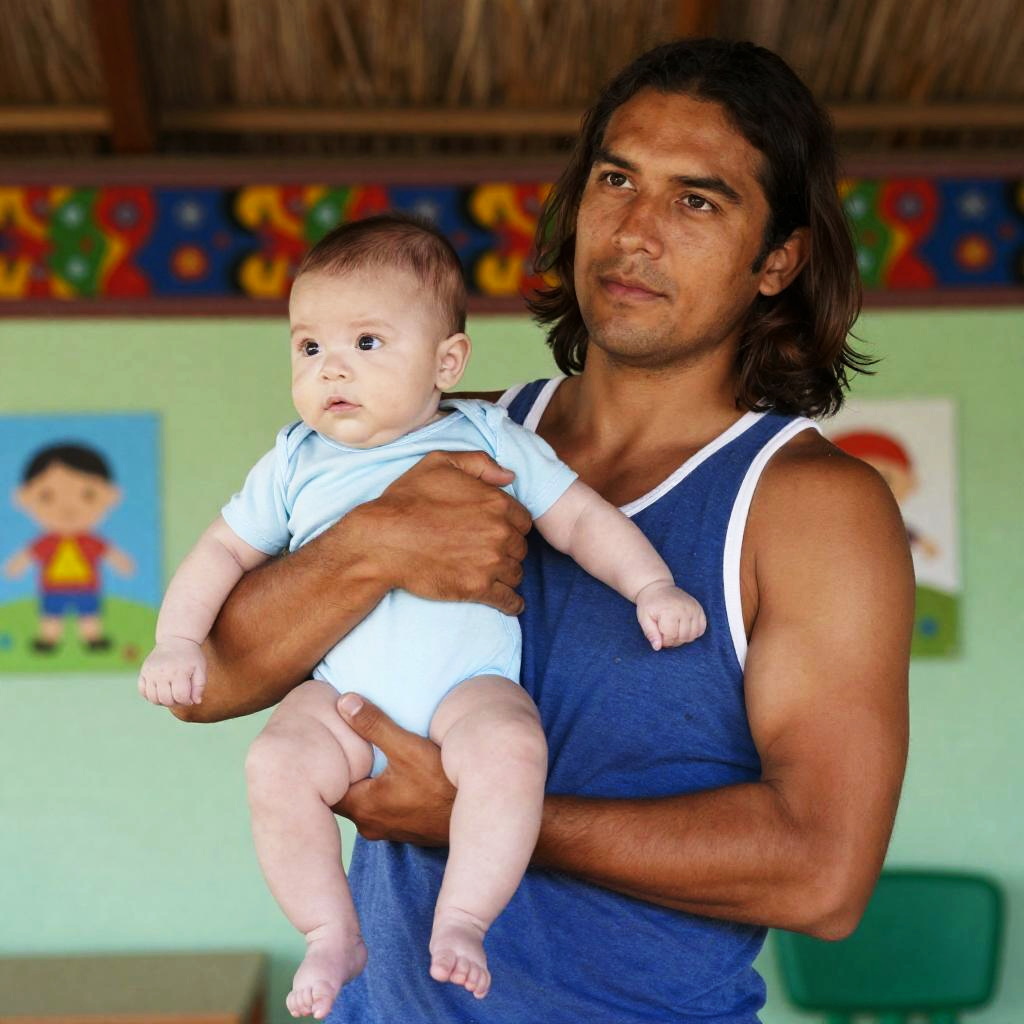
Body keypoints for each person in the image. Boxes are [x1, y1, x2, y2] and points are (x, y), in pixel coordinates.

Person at [172, 38, 914, 1023]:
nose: (635, 231)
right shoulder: (442, 435)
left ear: (777, 259)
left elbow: (823, 875)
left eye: (698, 201)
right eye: (616, 179)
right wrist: (372, 544)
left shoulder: (810, 507)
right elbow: (209, 682)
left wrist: (475, 812)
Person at [140, 213, 705, 1019]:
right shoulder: (294, 459)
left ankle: (464, 918)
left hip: (464, 687)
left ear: (447, 362)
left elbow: (579, 518)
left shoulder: (488, 436)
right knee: (274, 765)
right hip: (340, 697)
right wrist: (176, 640)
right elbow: (222, 551)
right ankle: (330, 931)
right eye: (309, 347)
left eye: (366, 342)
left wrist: (652, 586)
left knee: (511, 749)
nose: (332, 367)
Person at [4, 443, 134, 652]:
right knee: (52, 614)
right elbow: (29, 555)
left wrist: (122, 563)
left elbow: (109, 553)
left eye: (88, 494)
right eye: (47, 496)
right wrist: (15, 566)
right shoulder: (47, 542)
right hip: (54, 586)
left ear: (111, 495)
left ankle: (93, 639)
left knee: (89, 614)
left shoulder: (90, 542)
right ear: (24, 497)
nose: (67, 507)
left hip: (86, 586)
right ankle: (48, 640)